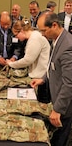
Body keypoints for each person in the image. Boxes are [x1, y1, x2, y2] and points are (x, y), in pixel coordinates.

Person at [31, 12, 72, 146]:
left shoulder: (67, 46)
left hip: (65, 106)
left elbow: (69, 83)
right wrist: (43, 79)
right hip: (56, 97)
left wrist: (58, 109)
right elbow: (52, 66)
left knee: (60, 139)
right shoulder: (56, 39)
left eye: (43, 30)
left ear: (54, 25)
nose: (42, 34)